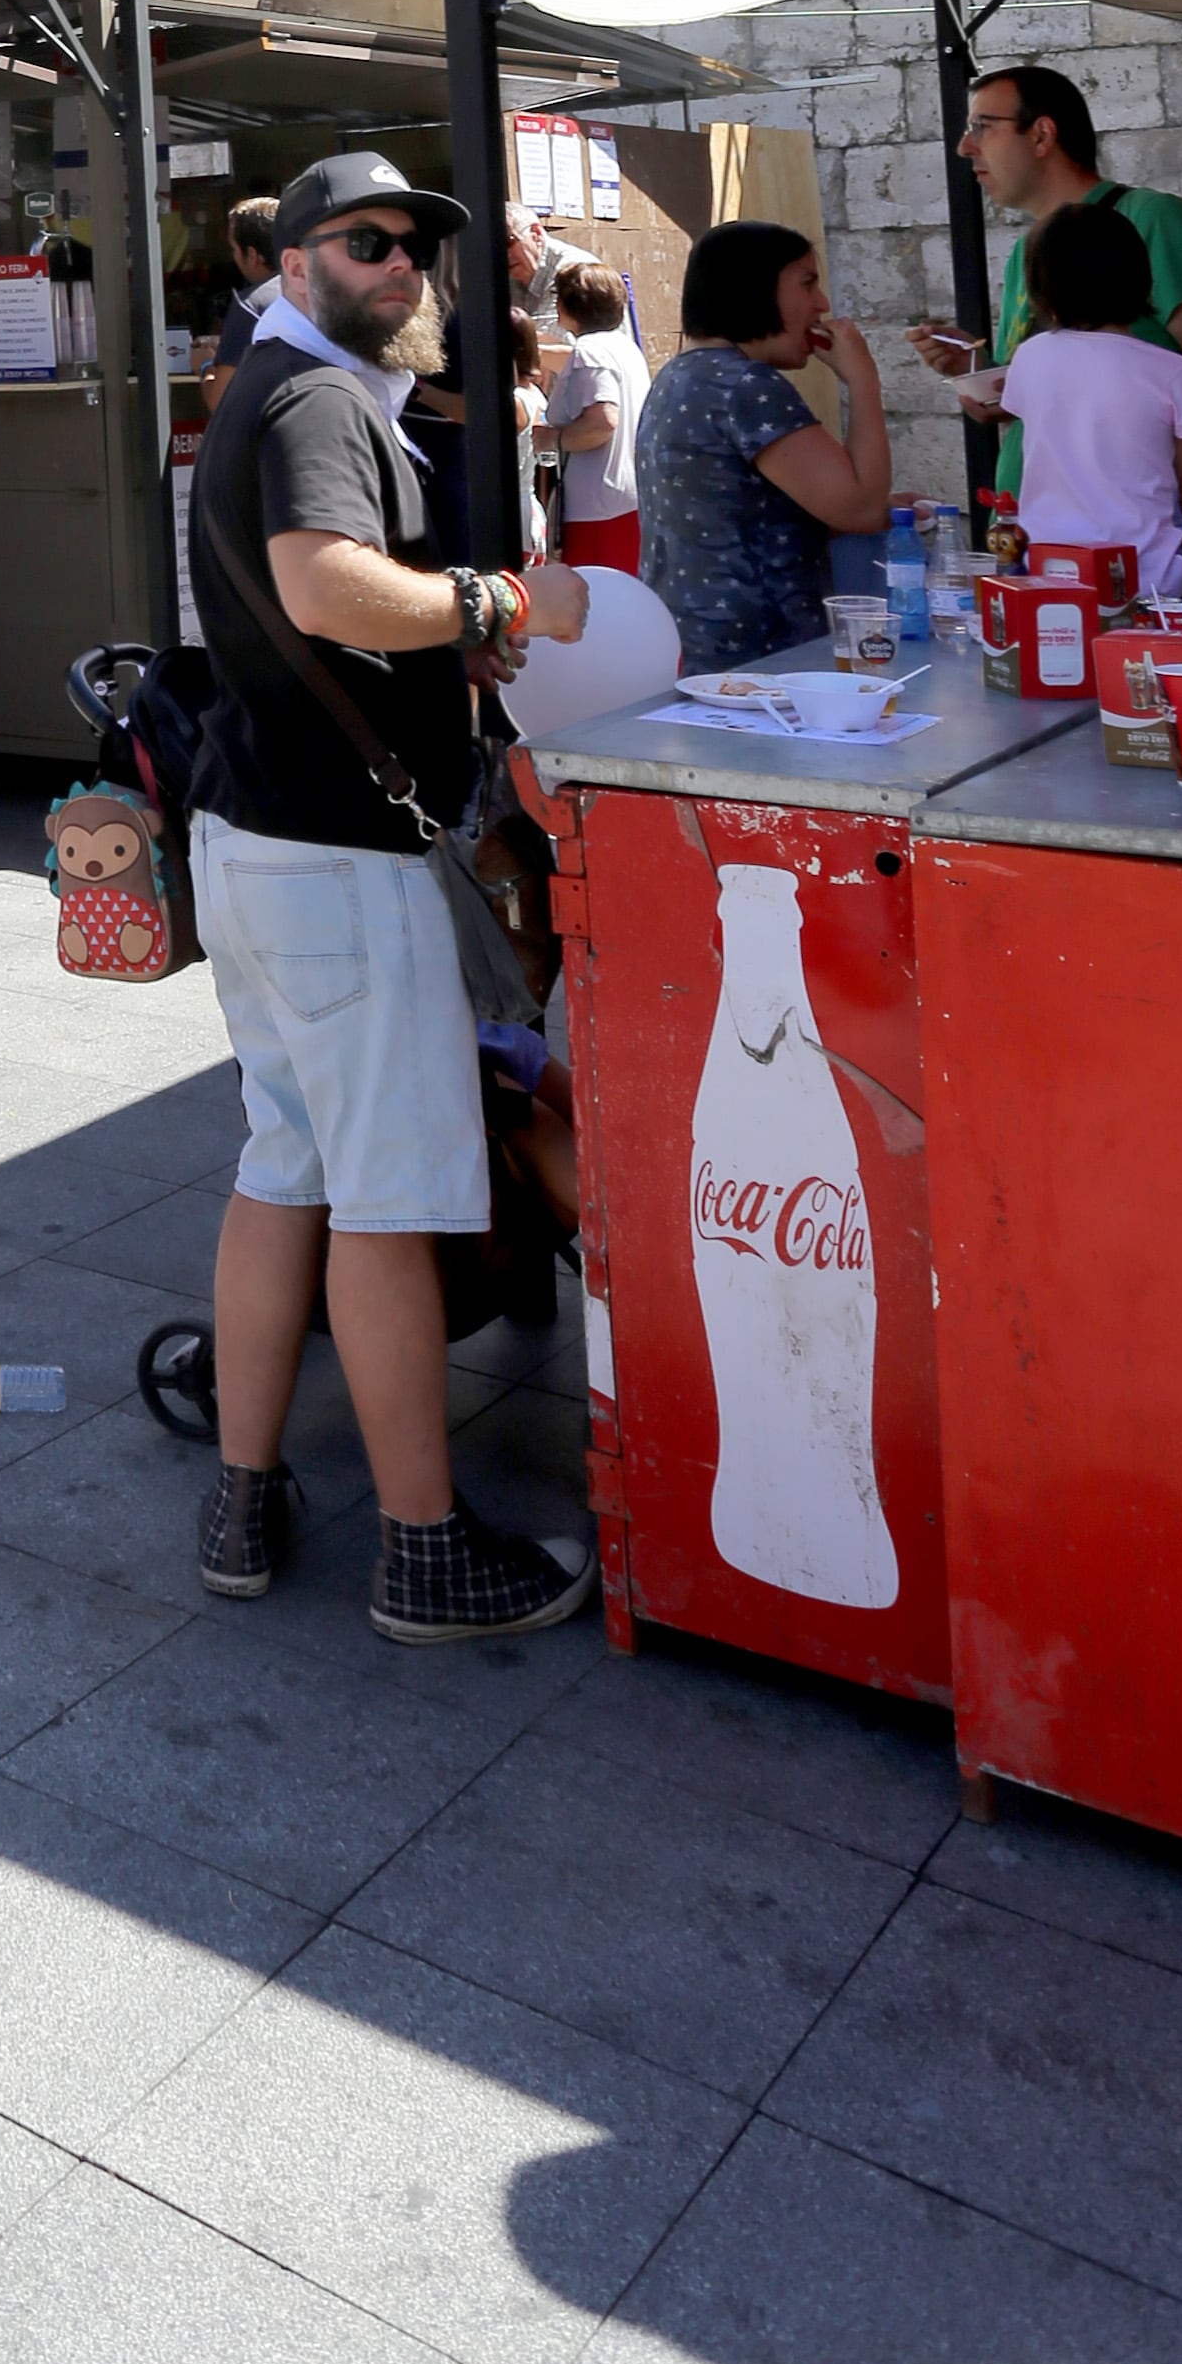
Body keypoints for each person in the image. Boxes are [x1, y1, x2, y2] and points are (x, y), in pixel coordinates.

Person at [181, 150, 598, 1646]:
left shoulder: (275, 383)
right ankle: (423, 1540)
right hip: (341, 863)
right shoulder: (308, 396)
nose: (401, 264)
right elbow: (321, 582)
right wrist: (496, 603)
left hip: (260, 839)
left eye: (416, 243)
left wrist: (439, 636)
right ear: (292, 262)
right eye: (365, 242)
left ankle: (242, 1492)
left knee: (284, 1163)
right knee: (384, 1194)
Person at [911, 64, 1182, 530]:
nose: (965, 147)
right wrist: (977, 373)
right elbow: (1026, 405)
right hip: (1035, 552)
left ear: (1042, 134)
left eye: (981, 127)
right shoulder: (1024, 254)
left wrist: (1106, 370)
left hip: (1147, 559)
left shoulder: (1151, 219)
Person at [640, 221, 902, 672]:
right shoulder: (746, 386)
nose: (822, 304)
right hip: (764, 659)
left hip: (699, 649)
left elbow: (742, 513)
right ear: (754, 287)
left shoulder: (679, 376)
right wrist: (863, 379)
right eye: (807, 283)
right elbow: (862, 510)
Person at [966, 193, 1182, 602]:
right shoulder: (1177, 372)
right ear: (1143, 280)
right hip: (1151, 581)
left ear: (1041, 293)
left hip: (1049, 577)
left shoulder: (1031, 356)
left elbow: (1006, 409)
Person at [541, 259, 649, 571]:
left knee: (594, 603)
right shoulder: (625, 349)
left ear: (567, 303)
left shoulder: (590, 351)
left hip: (598, 506)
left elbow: (603, 420)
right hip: (629, 499)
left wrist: (553, 438)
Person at [195, 197, 283, 416]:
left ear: (252, 255)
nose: (234, 257)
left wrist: (204, 366)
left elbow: (220, 401)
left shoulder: (252, 306)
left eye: (234, 249)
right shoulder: (321, 293)